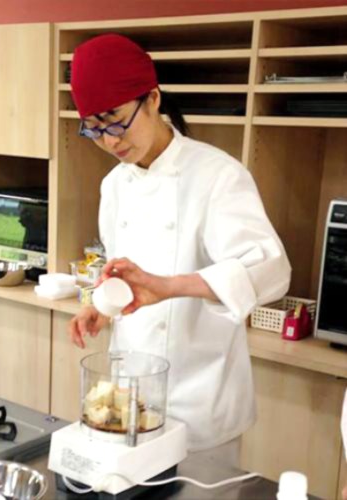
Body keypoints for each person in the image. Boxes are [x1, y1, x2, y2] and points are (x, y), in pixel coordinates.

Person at [68, 33, 291, 466]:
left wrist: (169, 286)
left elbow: (270, 269)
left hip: (201, 403)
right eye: (93, 128)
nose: (110, 141)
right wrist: (102, 305)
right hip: (129, 399)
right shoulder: (114, 185)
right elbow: (123, 271)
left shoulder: (218, 176)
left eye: (116, 120)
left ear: (153, 99)